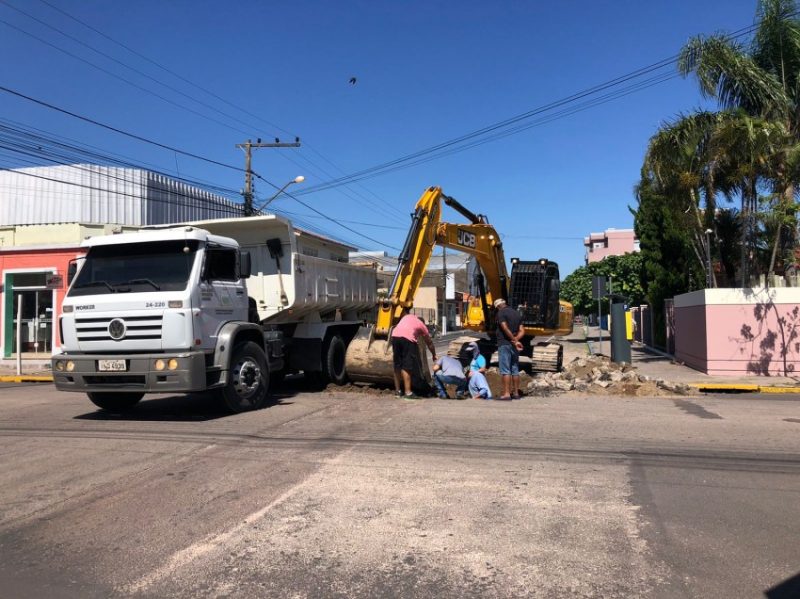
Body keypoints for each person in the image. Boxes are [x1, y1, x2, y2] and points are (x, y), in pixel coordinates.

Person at [391, 313, 437, 399]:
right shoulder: (421, 325)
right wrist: (434, 354)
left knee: (397, 365)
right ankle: (408, 393)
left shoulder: (407, 316)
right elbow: (429, 343)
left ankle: (397, 391)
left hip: (394, 336)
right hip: (407, 339)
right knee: (406, 366)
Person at [494, 297, 524, 400]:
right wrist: (516, 340)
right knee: (515, 369)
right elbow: (522, 330)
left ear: (498, 306)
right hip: (514, 344)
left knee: (505, 369)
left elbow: (504, 327)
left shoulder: (501, 313)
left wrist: (514, 340)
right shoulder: (517, 313)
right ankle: (516, 393)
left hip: (505, 343)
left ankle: (507, 393)